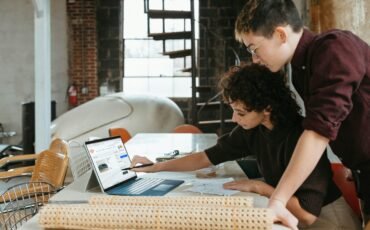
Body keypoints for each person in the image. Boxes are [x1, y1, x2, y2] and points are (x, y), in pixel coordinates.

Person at [131, 64, 361, 229]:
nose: (233, 118)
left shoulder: (298, 136)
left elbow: (308, 215)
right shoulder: (253, 130)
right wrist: (157, 167)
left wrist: (260, 187)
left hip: (328, 221)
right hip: (289, 215)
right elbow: (206, 157)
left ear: (267, 108)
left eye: (240, 112)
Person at [234, 0, 370, 229]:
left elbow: (319, 131)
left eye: (255, 49)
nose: (255, 59)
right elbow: (343, 116)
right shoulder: (302, 68)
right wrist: (353, 158)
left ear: (280, 34)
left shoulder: (334, 48)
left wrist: (278, 199)